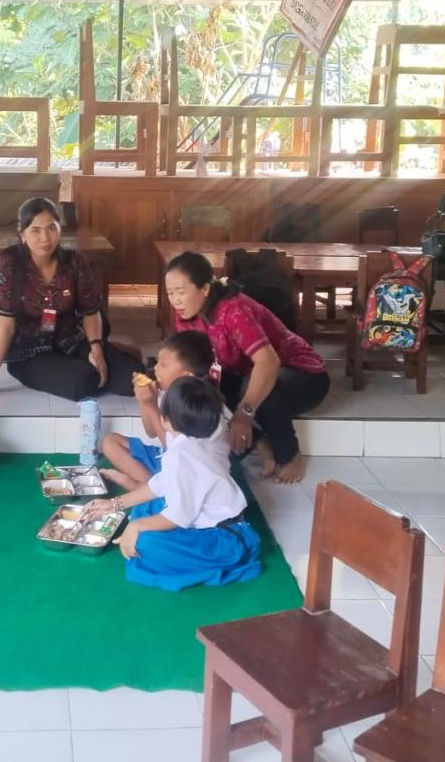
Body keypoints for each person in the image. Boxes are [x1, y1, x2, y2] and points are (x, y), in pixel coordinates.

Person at [163, 251, 330, 485]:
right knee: (206, 387)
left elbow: (268, 363)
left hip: (303, 376)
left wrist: (244, 414)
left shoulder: (233, 311)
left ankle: (289, 454)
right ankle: (259, 442)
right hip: (245, 371)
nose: (175, 301)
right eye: (170, 293)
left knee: (263, 385)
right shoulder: (185, 315)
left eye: (181, 292)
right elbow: (196, 361)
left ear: (205, 289)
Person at [89, 377, 262, 591]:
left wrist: (136, 526)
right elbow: (160, 484)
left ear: (166, 419)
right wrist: (114, 504)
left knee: (145, 543)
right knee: (146, 509)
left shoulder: (181, 455)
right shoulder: (197, 439)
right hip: (215, 524)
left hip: (223, 539)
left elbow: (178, 517)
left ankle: (218, 560)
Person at [0, 196, 140, 401]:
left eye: (51, 228)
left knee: (132, 377)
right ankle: (87, 368)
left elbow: (90, 312)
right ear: (22, 234)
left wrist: (96, 348)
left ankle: (108, 358)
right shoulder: (7, 265)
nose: (45, 238)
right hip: (30, 353)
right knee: (83, 381)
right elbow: (6, 328)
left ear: (60, 229)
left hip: (71, 340)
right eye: (35, 230)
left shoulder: (74, 261)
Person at [99, 330, 227, 491]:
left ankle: (150, 489)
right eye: (158, 362)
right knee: (110, 442)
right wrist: (144, 402)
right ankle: (151, 486)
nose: (156, 368)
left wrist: (151, 405)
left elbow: (175, 446)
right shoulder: (166, 392)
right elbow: (151, 432)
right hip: (169, 458)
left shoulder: (198, 405)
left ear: (187, 376)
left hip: (191, 473)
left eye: (164, 365)